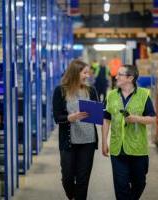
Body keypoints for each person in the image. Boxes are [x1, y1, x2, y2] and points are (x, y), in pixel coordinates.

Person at [102, 64, 156, 200]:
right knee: (121, 187)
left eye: (120, 74)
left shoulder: (144, 95)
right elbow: (106, 119)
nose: (116, 76)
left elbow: (152, 118)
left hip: (138, 149)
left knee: (139, 184)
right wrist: (104, 141)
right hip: (117, 148)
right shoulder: (111, 95)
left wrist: (136, 118)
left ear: (130, 78)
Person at [52, 59, 99, 200]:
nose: (87, 76)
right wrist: (70, 117)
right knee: (67, 177)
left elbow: (97, 113)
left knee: (83, 179)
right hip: (69, 142)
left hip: (88, 141)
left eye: (88, 73)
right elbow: (57, 117)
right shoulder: (60, 91)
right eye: (84, 73)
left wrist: (99, 111)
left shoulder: (91, 90)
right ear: (75, 73)